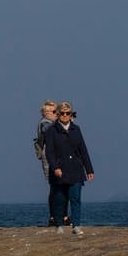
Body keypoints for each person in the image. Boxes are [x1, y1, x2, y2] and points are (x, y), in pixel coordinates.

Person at [44, 100, 96, 236]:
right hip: (59, 171)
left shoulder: (76, 129)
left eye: (68, 113)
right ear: (58, 114)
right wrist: (55, 167)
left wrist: (89, 169)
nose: (65, 116)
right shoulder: (51, 131)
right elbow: (49, 152)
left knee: (75, 197)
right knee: (59, 198)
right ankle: (59, 224)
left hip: (75, 170)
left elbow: (83, 150)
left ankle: (76, 225)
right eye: (62, 113)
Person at [35, 101, 59, 227]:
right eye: (55, 112)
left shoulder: (52, 123)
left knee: (58, 186)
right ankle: (54, 216)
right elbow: (48, 131)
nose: (58, 114)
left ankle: (58, 215)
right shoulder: (45, 123)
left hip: (56, 155)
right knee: (55, 186)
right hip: (49, 156)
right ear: (46, 113)